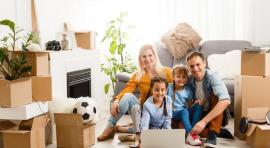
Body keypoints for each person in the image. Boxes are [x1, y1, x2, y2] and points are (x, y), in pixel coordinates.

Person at [97, 44, 173, 145]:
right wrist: (116, 100)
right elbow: (127, 90)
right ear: (140, 59)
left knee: (152, 129)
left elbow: (175, 89)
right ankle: (110, 127)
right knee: (128, 96)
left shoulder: (166, 72)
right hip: (143, 111)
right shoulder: (138, 74)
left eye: (150, 55)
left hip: (160, 113)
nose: (147, 59)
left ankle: (125, 130)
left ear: (155, 56)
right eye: (144, 56)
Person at [186, 51, 231, 148]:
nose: (195, 69)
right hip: (200, 113)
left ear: (204, 63)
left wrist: (204, 122)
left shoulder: (213, 76)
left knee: (218, 96)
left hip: (215, 113)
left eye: (198, 64)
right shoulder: (189, 80)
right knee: (188, 130)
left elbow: (226, 100)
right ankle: (218, 130)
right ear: (188, 67)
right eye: (191, 66)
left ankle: (212, 133)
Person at [167, 64, 203, 146]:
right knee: (184, 111)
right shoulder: (169, 87)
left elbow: (189, 105)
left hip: (184, 113)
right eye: (178, 77)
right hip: (173, 113)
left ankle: (192, 132)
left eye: (184, 77)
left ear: (187, 78)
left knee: (198, 106)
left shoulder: (188, 90)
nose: (181, 79)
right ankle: (191, 134)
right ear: (173, 77)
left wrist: (195, 103)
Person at [138, 76, 172, 147]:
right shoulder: (147, 105)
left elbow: (167, 121)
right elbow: (145, 124)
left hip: (161, 128)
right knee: (138, 129)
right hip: (150, 128)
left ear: (166, 90)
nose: (160, 93)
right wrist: (144, 138)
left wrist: (168, 135)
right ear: (151, 90)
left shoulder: (168, 100)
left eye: (162, 90)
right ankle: (122, 130)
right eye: (156, 90)